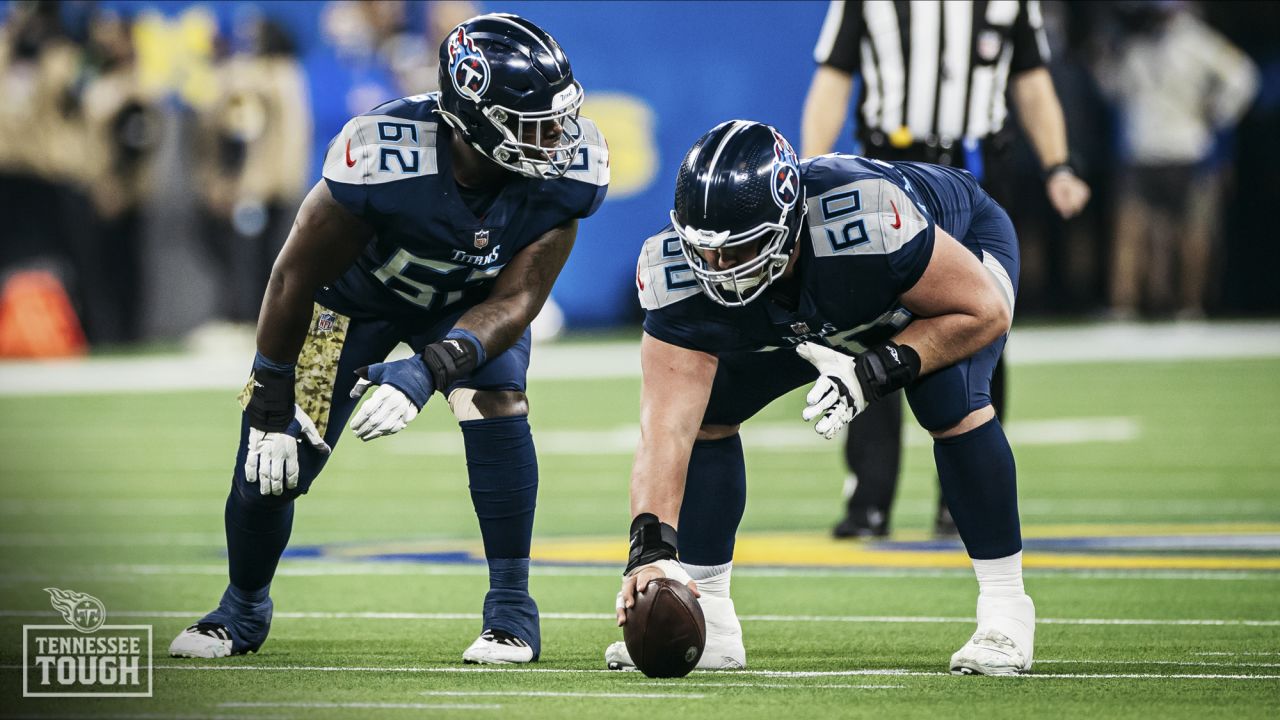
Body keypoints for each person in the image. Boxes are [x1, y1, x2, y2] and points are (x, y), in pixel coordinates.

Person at [168, 13, 609, 664]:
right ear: (476, 120)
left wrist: (431, 368)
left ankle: (512, 611)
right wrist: (269, 391)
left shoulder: (569, 172)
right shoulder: (384, 153)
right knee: (275, 460)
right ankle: (242, 606)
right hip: (347, 304)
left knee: (497, 404)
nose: (558, 136)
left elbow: (518, 298)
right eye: (536, 122)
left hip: (467, 305)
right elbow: (293, 276)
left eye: (559, 117)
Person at [609, 121, 1030, 675]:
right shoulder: (677, 271)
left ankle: (1005, 612)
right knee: (708, 411)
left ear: (787, 225)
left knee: (947, 399)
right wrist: (651, 553)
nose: (717, 270)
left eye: (740, 249)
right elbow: (666, 428)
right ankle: (711, 612)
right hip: (815, 304)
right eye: (703, 251)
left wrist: (873, 371)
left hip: (945, 264)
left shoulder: (866, 217)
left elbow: (984, 311)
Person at [800, 0, 1090, 538]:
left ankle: (961, 499)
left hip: (975, 178)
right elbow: (834, 78)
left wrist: (1058, 164)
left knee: (978, 329)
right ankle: (869, 500)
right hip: (889, 176)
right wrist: (809, 172)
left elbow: (1031, 80)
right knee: (867, 328)